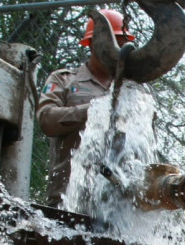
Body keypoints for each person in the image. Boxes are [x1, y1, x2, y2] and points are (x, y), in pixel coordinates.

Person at [36, 9, 135, 208]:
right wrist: (94, 111)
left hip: (116, 208)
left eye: (122, 45)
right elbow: (46, 119)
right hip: (67, 199)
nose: (118, 51)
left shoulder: (130, 92)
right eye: (115, 43)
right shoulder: (63, 79)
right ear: (93, 43)